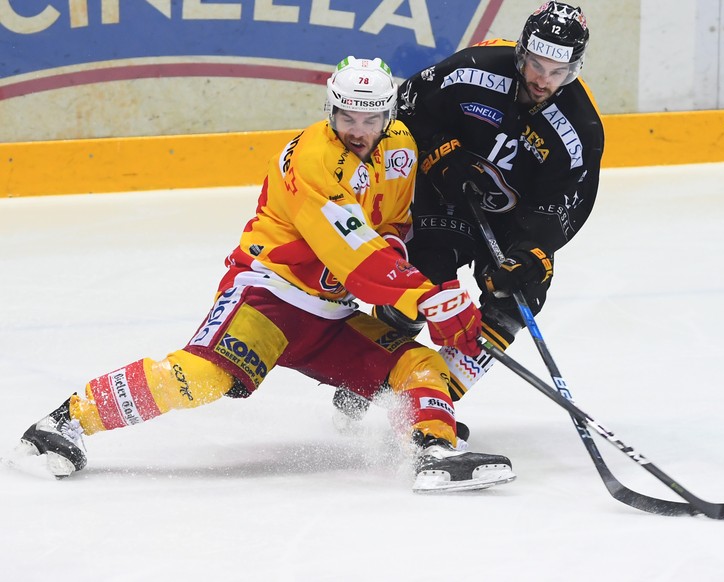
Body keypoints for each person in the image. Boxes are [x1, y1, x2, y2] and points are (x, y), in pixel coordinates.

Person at [11, 56, 515, 493]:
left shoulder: (401, 147)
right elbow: (354, 254)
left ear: (390, 115)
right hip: (269, 298)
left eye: (371, 117)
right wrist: (423, 299)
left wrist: (420, 282)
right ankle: (65, 421)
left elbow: (390, 229)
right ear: (330, 109)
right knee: (202, 377)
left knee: (421, 368)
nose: (357, 129)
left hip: (331, 317)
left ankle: (432, 452)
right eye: (346, 115)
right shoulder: (313, 159)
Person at [333, 2, 604, 441]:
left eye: (557, 70)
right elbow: (406, 108)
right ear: (522, 51)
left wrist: (532, 251)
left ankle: (431, 399)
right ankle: (370, 373)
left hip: (513, 224)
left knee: (518, 298)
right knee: (422, 278)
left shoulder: (580, 127)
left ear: (574, 68)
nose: (542, 79)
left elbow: (567, 204)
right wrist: (441, 150)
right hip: (443, 201)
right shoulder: (473, 69)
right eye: (536, 63)